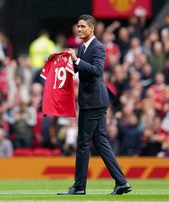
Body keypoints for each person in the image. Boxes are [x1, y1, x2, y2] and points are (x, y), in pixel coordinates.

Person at [56, 14, 131, 195]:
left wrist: (76, 60)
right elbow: (75, 69)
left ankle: (79, 186)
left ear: (92, 28)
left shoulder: (98, 47)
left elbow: (97, 70)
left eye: (82, 26)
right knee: (100, 141)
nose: (79, 29)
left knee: (82, 142)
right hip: (92, 101)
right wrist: (59, 60)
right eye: (78, 27)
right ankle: (121, 182)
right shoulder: (83, 48)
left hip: (93, 102)